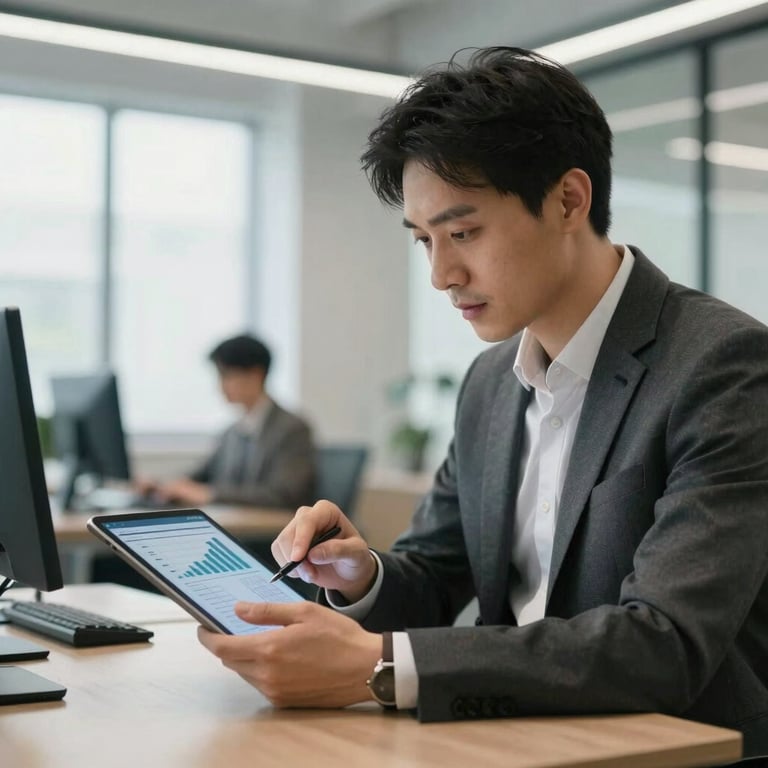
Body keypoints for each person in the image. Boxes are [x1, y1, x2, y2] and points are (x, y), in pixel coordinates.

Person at [196, 47, 768, 757]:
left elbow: (664, 644)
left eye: (464, 233)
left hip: (668, 749)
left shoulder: (723, 366)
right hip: (513, 739)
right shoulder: (491, 383)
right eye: (423, 240)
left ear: (568, 200)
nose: (442, 274)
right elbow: (434, 577)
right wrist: (360, 574)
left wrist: (381, 667)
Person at [144, 333, 316, 509]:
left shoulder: (292, 429)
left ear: (255, 375)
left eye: (226, 375)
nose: (220, 386)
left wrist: (210, 494)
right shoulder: (232, 432)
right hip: (238, 522)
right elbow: (201, 474)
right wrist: (161, 486)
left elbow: (283, 495)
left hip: (272, 530)